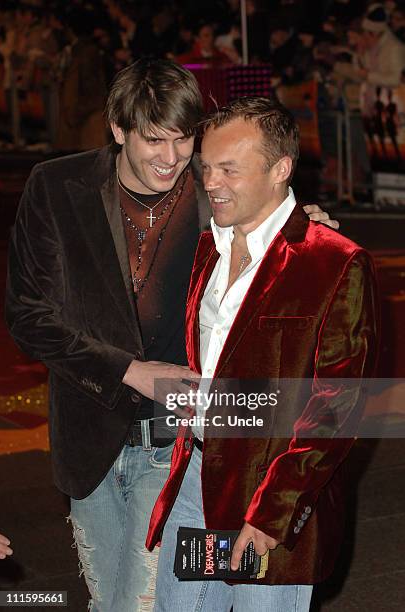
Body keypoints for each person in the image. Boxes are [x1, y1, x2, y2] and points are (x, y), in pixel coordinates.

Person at [5, 58, 337, 612]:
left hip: (178, 442)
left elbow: (275, 226)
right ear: (118, 130)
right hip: (89, 441)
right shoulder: (57, 186)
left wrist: (308, 226)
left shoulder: (213, 193)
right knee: (111, 602)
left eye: (184, 140)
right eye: (155, 141)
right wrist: (128, 371)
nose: (172, 158)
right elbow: (27, 314)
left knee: (147, 604)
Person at [146, 97, 379, 611]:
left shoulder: (333, 262)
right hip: (196, 484)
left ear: (280, 169)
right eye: (206, 167)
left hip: (267, 502)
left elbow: (335, 406)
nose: (211, 182)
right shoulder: (206, 247)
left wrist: (273, 513)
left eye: (230, 169)